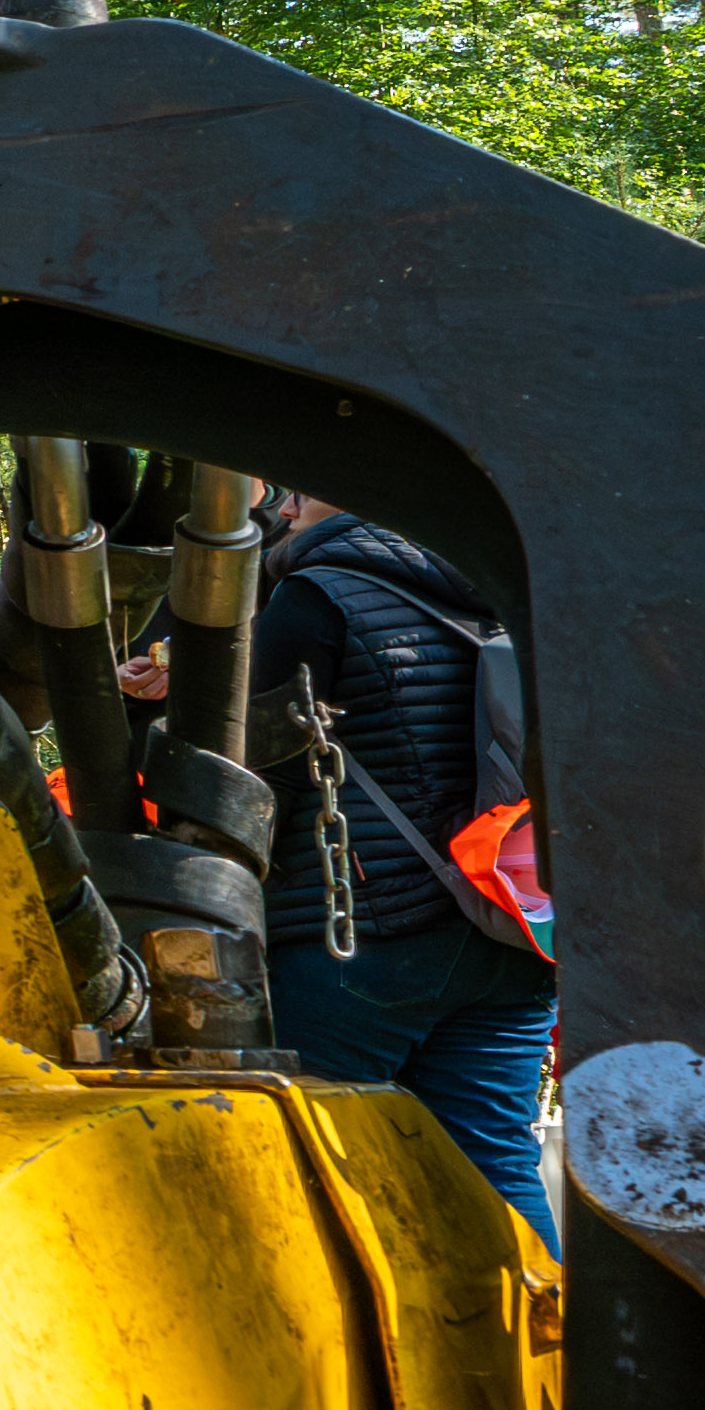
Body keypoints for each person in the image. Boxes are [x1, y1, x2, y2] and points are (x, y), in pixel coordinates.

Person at [266, 494, 557, 1235]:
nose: (285, 502)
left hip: (357, 945)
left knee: (303, 1165)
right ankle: (547, 1344)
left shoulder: (316, 595)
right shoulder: (510, 596)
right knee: (495, 1165)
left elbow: (251, 774)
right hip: (505, 928)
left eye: (301, 482)